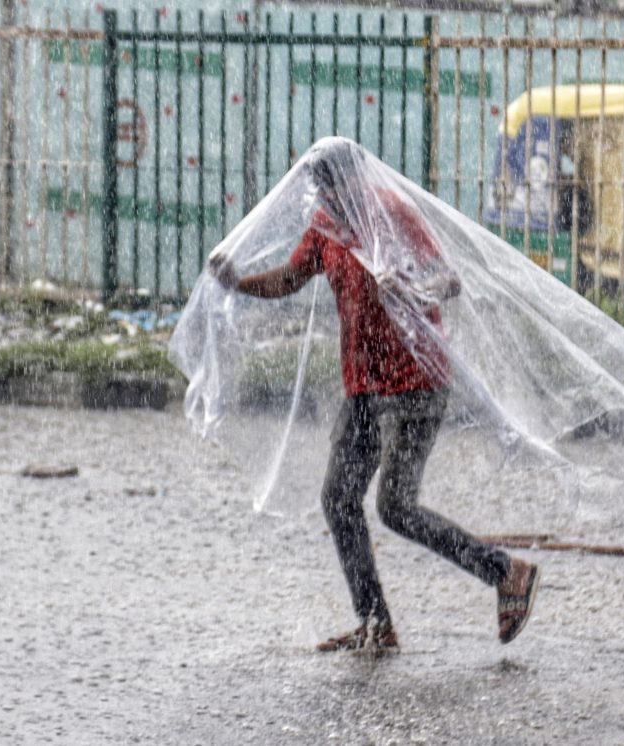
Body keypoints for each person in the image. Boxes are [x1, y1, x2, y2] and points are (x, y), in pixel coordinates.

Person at [210, 140, 540, 652]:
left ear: (354, 181)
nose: (326, 196)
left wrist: (410, 285)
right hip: (363, 388)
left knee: (396, 507)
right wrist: (239, 282)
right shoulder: (326, 223)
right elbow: (292, 277)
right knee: (339, 500)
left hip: (415, 383)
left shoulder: (391, 213)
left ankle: (506, 572)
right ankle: (375, 623)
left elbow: (446, 280)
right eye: (320, 188)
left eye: (333, 186)